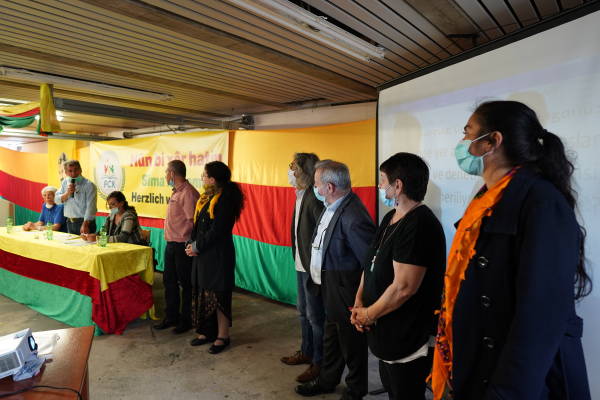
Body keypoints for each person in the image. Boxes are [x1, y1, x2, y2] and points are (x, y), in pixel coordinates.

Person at [431, 100, 592, 400]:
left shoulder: (541, 201)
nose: (463, 142)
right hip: (477, 364)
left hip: (517, 382)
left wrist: (505, 393)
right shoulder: (487, 198)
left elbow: (541, 315)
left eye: (468, 132)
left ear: (492, 141)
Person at [351, 153, 446, 400]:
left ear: (398, 185)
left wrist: (369, 314)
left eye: (383, 180)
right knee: (392, 388)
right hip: (384, 328)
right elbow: (371, 264)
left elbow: (404, 287)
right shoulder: (390, 217)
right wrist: (360, 302)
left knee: (405, 392)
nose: (380, 186)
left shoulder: (420, 224)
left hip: (407, 334)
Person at [295, 160, 376, 400]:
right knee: (332, 339)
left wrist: (361, 298)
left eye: (317, 184)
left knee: (352, 344)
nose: (315, 189)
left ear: (329, 187)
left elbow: (369, 262)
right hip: (329, 287)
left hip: (345, 290)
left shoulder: (353, 216)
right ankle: (327, 380)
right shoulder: (332, 205)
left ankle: (355, 390)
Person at [185, 161, 245, 354]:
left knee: (219, 295)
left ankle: (222, 336)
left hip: (218, 256)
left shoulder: (225, 199)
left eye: (204, 175)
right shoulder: (206, 197)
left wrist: (197, 246)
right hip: (203, 255)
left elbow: (218, 230)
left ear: (212, 179)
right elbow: (198, 226)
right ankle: (206, 332)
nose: (202, 178)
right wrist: (192, 244)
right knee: (204, 293)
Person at [281, 153, 325, 383]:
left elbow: (321, 234)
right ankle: (307, 351)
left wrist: (315, 265)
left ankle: (319, 362)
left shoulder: (314, 197)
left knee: (315, 316)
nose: (290, 171)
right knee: (302, 312)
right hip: (300, 264)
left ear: (305, 171)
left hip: (311, 267)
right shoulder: (300, 195)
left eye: (293, 167)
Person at [154, 160, 200, 334]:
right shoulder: (176, 192)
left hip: (183, 245)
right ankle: (171, 317)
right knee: (169, 282)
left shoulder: (188, 193)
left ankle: (186, 320)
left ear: (172, 173)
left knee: (186, 284)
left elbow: (193, 221)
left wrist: (190, 243)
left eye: (166, 172)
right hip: (171, 244)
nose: (166, 176)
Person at [55, 160, 97, 235]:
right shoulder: (65, 182)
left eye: (76, 170)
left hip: (84, 222)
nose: (73, 173)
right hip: (69, 222)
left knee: (85, 243)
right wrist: (67, 193)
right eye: (70, 171)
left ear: (80, 170)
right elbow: (56, 200)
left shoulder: (89, 185)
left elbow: (91, 207)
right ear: (66, 172)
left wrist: (85, 224)